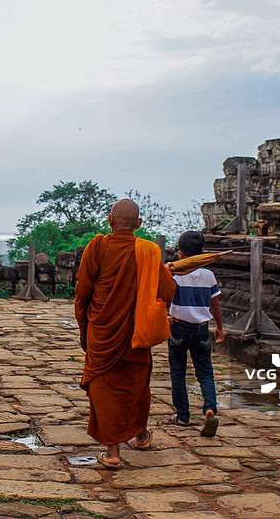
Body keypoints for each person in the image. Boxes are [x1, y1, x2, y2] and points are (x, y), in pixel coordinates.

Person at [74, 198, 176, 469]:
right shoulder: (150, 252)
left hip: (103, 331)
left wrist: (85, 329)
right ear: (139, 224)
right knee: (136, 388)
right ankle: (140, 435)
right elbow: (167, 292)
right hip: (136, 332)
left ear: (110, 221)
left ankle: (113, 451)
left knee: (106, 389)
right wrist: (157, 275)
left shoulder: (96, 247)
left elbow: (83, 293)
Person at [166, 231, 224, 438]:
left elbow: (163, 298)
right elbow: (214, 305)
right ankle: (209, 408)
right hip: (201, 327)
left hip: (178, 326)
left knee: (178, 372)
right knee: (205, 372)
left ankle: (182, 415)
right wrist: (219, 327)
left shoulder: (172, 274)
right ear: (203, 253)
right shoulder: (208, 275)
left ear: (180, 253)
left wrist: (165, 315)